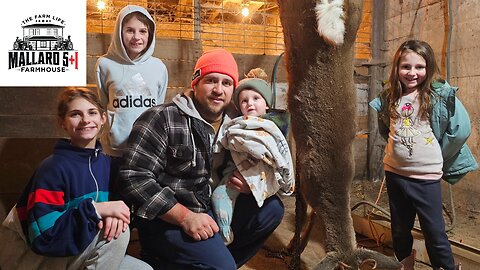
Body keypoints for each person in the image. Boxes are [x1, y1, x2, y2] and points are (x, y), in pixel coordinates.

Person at [118, 48, 285, 269]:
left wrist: (252, 183)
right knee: (220, 265)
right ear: (195, 83)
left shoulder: (236, 125)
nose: (218, 90)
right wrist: (184, 217)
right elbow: (134, 178)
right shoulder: (161, 118)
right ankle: (168, 258)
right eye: (211, 80)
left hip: (213, 207)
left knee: (272, 209)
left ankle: (215, 260)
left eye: (226, 83)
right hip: (170, 217)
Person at [0, 88, 152, 270]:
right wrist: (96, 210)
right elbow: (44, 237)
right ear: (62, 122)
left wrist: (117, 216)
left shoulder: (109, 166)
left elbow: (120, 208)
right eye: (75, 114)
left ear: (103, 119)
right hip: (31, 256)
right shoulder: (52, 168)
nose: (86, 120)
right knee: (119, 236)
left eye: (92, 112)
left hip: (77, 246)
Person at [369, 39, 478, 270]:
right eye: (405, 67)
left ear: (428, 68)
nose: (412, 73)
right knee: (399, 229)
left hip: (425, 178)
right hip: (395, 173)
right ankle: (404, 265)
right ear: (397, 68)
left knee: (434, 233)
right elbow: (386, 128)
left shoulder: (438, 95)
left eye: (419, 67)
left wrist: (438, 154)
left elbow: (461, 130)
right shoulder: (390, 96)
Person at [211, 78, 294, 244]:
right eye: (244, 100)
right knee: (219, 196)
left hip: (261, 174)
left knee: (271, 208)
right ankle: (225, 233)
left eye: (256, 98)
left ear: (267, 105)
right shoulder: (238, 124)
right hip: (233, 175)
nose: (250, 103)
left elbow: (278, 154)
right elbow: (231, 139)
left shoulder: (275, 125)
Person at [95, 5, 168, 158]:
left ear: (150, 34)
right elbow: (103, 102)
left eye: (142, 31)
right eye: (130, 30)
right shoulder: (104, 64)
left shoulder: (159, 67)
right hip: (114, 150)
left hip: (148, 148)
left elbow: (158, 107)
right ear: (119, 32)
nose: (136, 37)